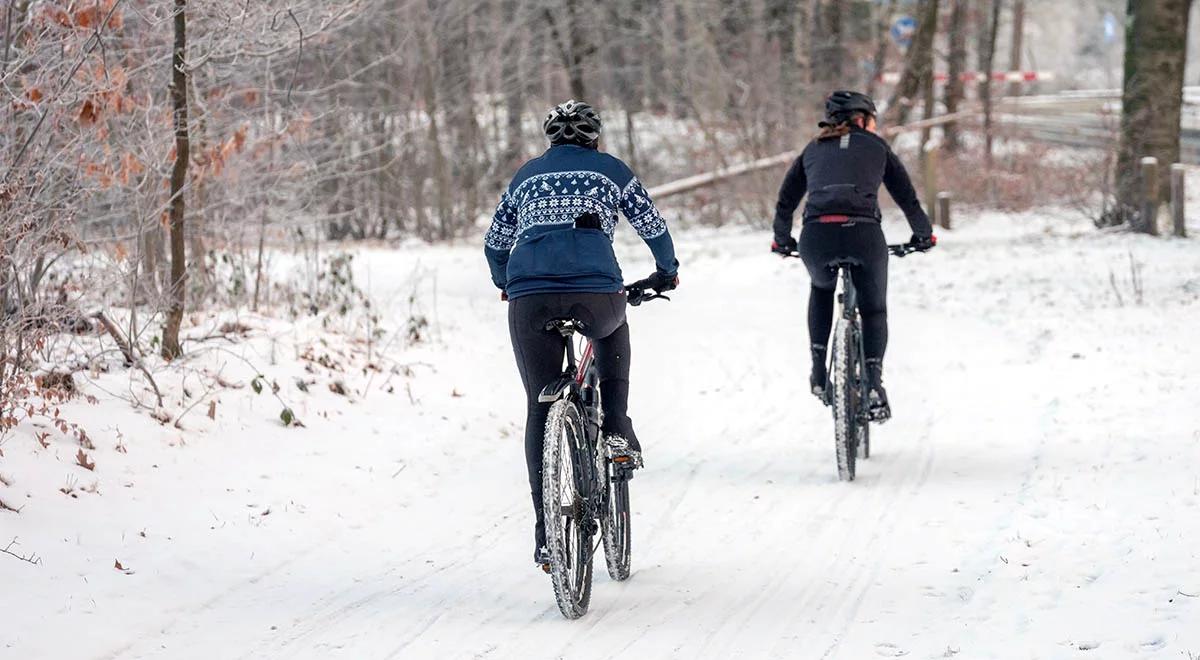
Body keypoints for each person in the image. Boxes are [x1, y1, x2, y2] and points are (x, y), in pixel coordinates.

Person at [484, 100, 679, 567]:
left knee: (538, 406)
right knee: (613, 329)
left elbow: (495, 242)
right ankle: (614, 427)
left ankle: (546, 531)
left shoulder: (526, 176)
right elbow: (652, 224)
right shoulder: (611, 170)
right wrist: (665, 271)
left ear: (550, 139)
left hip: (529, 296)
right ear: (595, 138)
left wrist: (504, 283)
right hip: (595, 293)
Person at [770, 90, 935, 421]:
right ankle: (873, 382)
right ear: (862, 119)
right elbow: (907, 198)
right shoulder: (877, 147)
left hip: (817, 236)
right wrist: (922, 235)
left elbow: (785, 201)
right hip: (863, 235)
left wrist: (782, 239)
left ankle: (819, 371)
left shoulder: (812, 149)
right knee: (873, 309)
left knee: (821, 288)